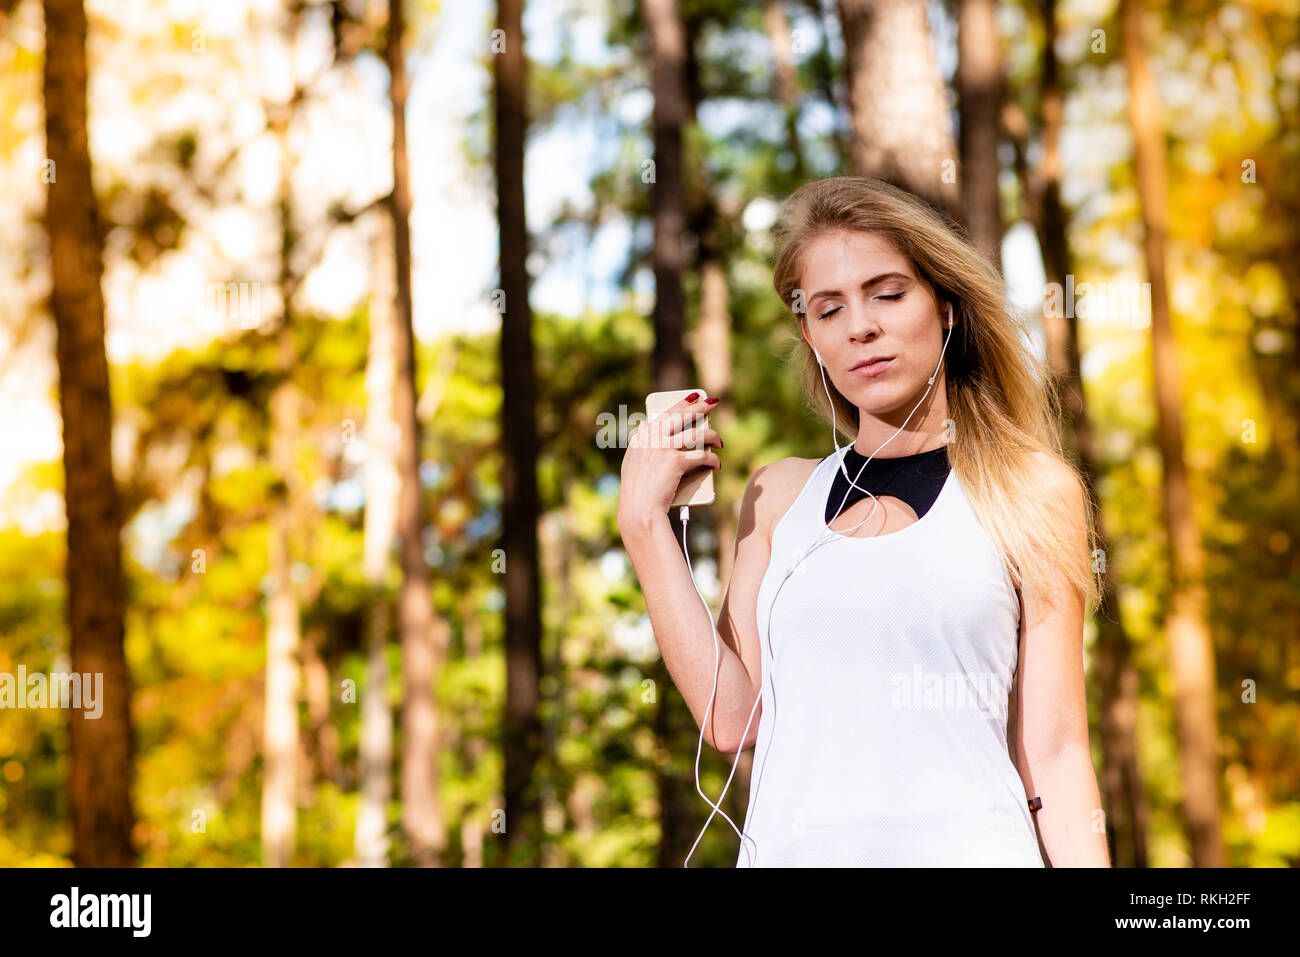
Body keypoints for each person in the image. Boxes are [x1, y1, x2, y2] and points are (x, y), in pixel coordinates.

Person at [617, 176, 1110, 867]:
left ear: (945, 305)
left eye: (887, 292)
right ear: (810, 334)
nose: (860, 327)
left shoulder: (1032, 489)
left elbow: (1055, 753)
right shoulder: (778, 495)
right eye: (829, 309)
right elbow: (730, 718)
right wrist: (644, 527)